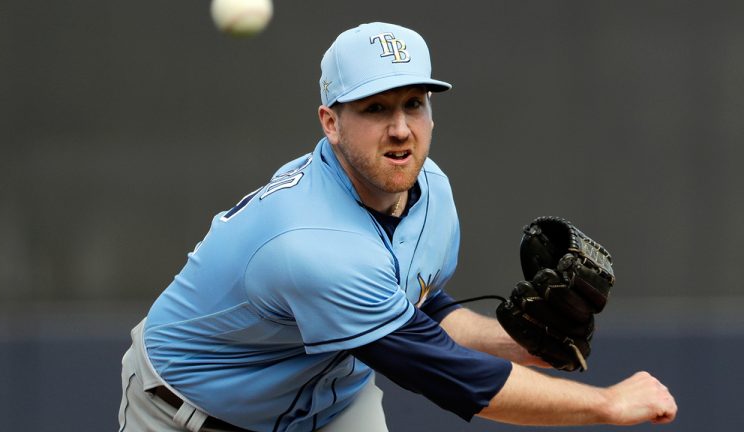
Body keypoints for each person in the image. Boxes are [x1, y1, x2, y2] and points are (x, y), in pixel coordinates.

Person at [117, 22, 677, 432]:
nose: (401, 129)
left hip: (331, 405)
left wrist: (517, 344)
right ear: (331, 122)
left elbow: (419, 308)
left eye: (414, 103)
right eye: (376, 108)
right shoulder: (310, 244)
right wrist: (606, 403)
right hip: (190, 412)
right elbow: (453, 378)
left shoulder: (430, 190)